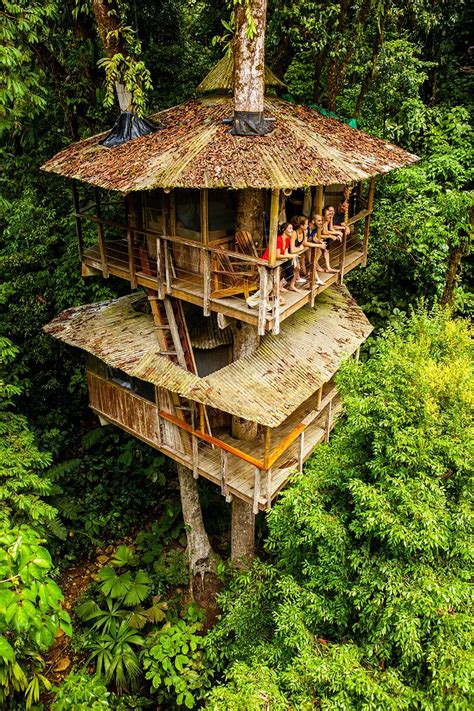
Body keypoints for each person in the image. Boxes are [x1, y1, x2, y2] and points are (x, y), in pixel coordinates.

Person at [261, 222, 301, 292]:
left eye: (292, 228)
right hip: (267, 261)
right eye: (290, 228)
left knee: (290, 273)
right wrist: (291, 256)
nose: (292, 230)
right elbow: (277, 255)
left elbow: (285, 253)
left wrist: (293, 256)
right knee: (288, 268)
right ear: (283, 230)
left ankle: (280, 286)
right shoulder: (278, 239)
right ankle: (275, 289)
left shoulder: (287, 239)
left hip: (278, 260)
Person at [290, 215, 309, 284]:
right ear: (301, 226)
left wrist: (299, 248)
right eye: (306, 224)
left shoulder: (304, 232)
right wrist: (300, 248)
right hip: (289, 253)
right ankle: (292, 282)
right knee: (297, 267)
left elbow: (302, 244)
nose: (308, 225)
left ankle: (296, 279)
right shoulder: (294, 233)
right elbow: (292, 250)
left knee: (298, 267)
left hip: (296, 253)